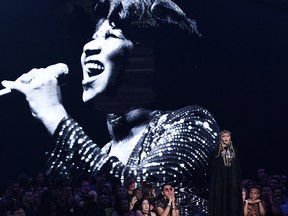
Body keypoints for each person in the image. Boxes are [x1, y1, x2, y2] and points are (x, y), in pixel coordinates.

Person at [1, 0, 219, 214]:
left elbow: (145, 192)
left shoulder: (194, 123)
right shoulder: (106, 151)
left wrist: (52, 113)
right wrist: (34, 111)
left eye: (111, 36)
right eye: (94, 37)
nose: (88, 47)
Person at [208, 130, 242, 216]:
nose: (226, 138)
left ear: (230, 137)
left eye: (227, 136)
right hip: (220, 182)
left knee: (232, 200)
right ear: (220, 138)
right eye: (223, 136)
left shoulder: (234, 150)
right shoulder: (216, 151)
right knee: (220, 200)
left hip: (232, 181)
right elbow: (212, 167)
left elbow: (237, 167)